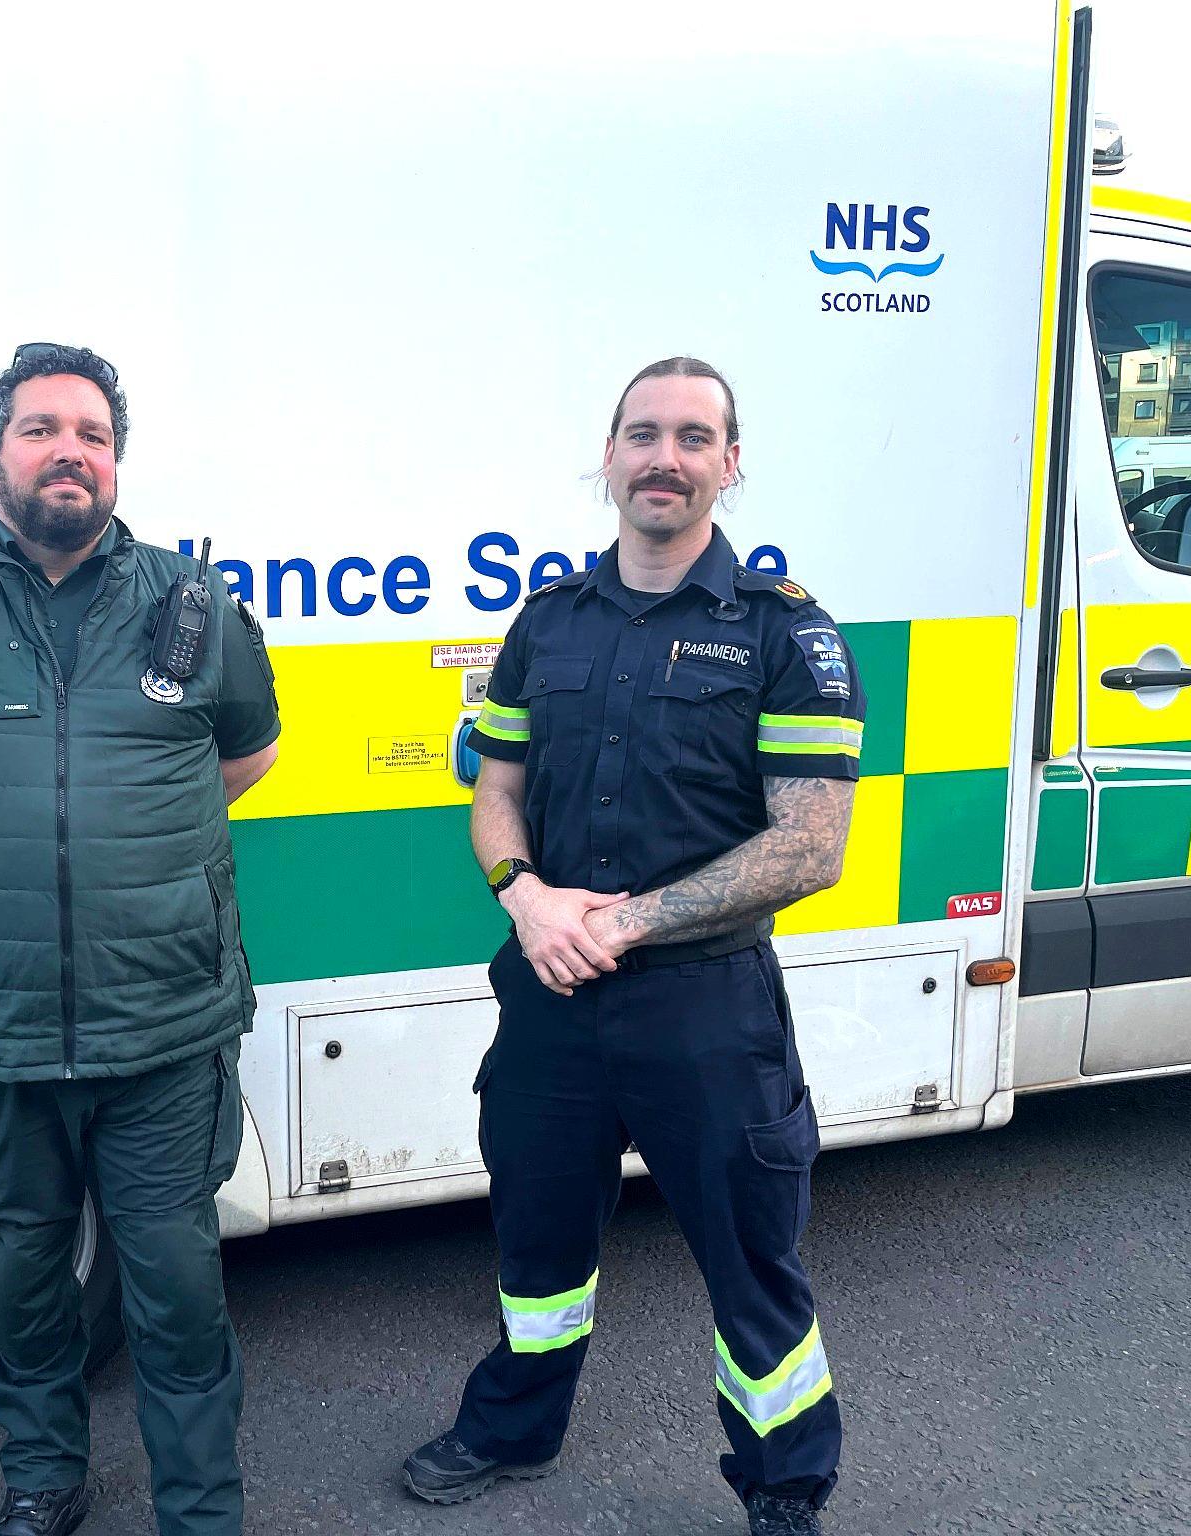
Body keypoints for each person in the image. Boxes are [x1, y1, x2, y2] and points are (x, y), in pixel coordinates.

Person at [0, 343, 281, 1536]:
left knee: (176, 1287)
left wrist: (127, 852)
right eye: (40, 430)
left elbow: (246, 756)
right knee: (23, 1279)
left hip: (162, 1024)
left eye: (91, 433)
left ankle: (200, 1508)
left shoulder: (192, 604)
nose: (68, 450)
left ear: (115, 464)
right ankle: (40, 1480)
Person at [401, 357, 861, 1536]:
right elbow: (493, 788)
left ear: (727, 465)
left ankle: (781, 1482)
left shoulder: (782, 634)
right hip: (551, 1001)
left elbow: (810, 847)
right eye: (642, 433)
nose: (664, 457)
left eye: (692, 437)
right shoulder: (544, 622)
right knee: (535, 1238)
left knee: (751, 1264)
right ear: (606, 456)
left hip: (703, 1008)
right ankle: (512, 1427)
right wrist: (523, 896)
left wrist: (624, 920)